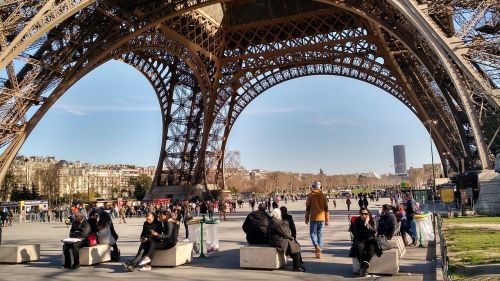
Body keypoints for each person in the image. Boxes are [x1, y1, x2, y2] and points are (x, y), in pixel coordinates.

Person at [351, 207, 380, 277]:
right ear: (360, 214)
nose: (364, 215)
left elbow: (375, 232)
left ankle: (362, 268)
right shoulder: (357, 221)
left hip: (370, 239)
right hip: (360, 239)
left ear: (368, 213)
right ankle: (364, 268)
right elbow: (356, 233)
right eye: (362, 214)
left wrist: (367, 224)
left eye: (365, 214)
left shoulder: (372, 220)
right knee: (359, 248)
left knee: (371, 248)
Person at [305, 181, 329, 259]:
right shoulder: (323, 196)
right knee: (320, 234)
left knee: (312, 233)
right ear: (320, 187)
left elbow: (307, 208)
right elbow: (326, 209)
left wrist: (306, 218)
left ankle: (316, 245)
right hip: (322, 217)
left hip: (313, 217)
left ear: (313, 186)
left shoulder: (310, 196)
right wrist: (327, 219)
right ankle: (319, 252)